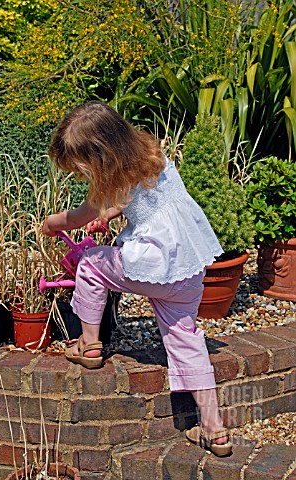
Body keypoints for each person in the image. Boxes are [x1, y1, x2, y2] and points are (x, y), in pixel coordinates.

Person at [43, 100, 232, 457]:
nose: (83, 176)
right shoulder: (153, 156)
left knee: (91, 262)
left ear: (98, 159)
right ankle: (214, 429)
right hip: (188, 267)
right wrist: (112, 213)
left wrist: (53, 223)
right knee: (186, 339)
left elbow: (78, 217)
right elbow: (142, 201)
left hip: (155, 266)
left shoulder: (111, 184)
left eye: (82, 169)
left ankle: (89, 344)